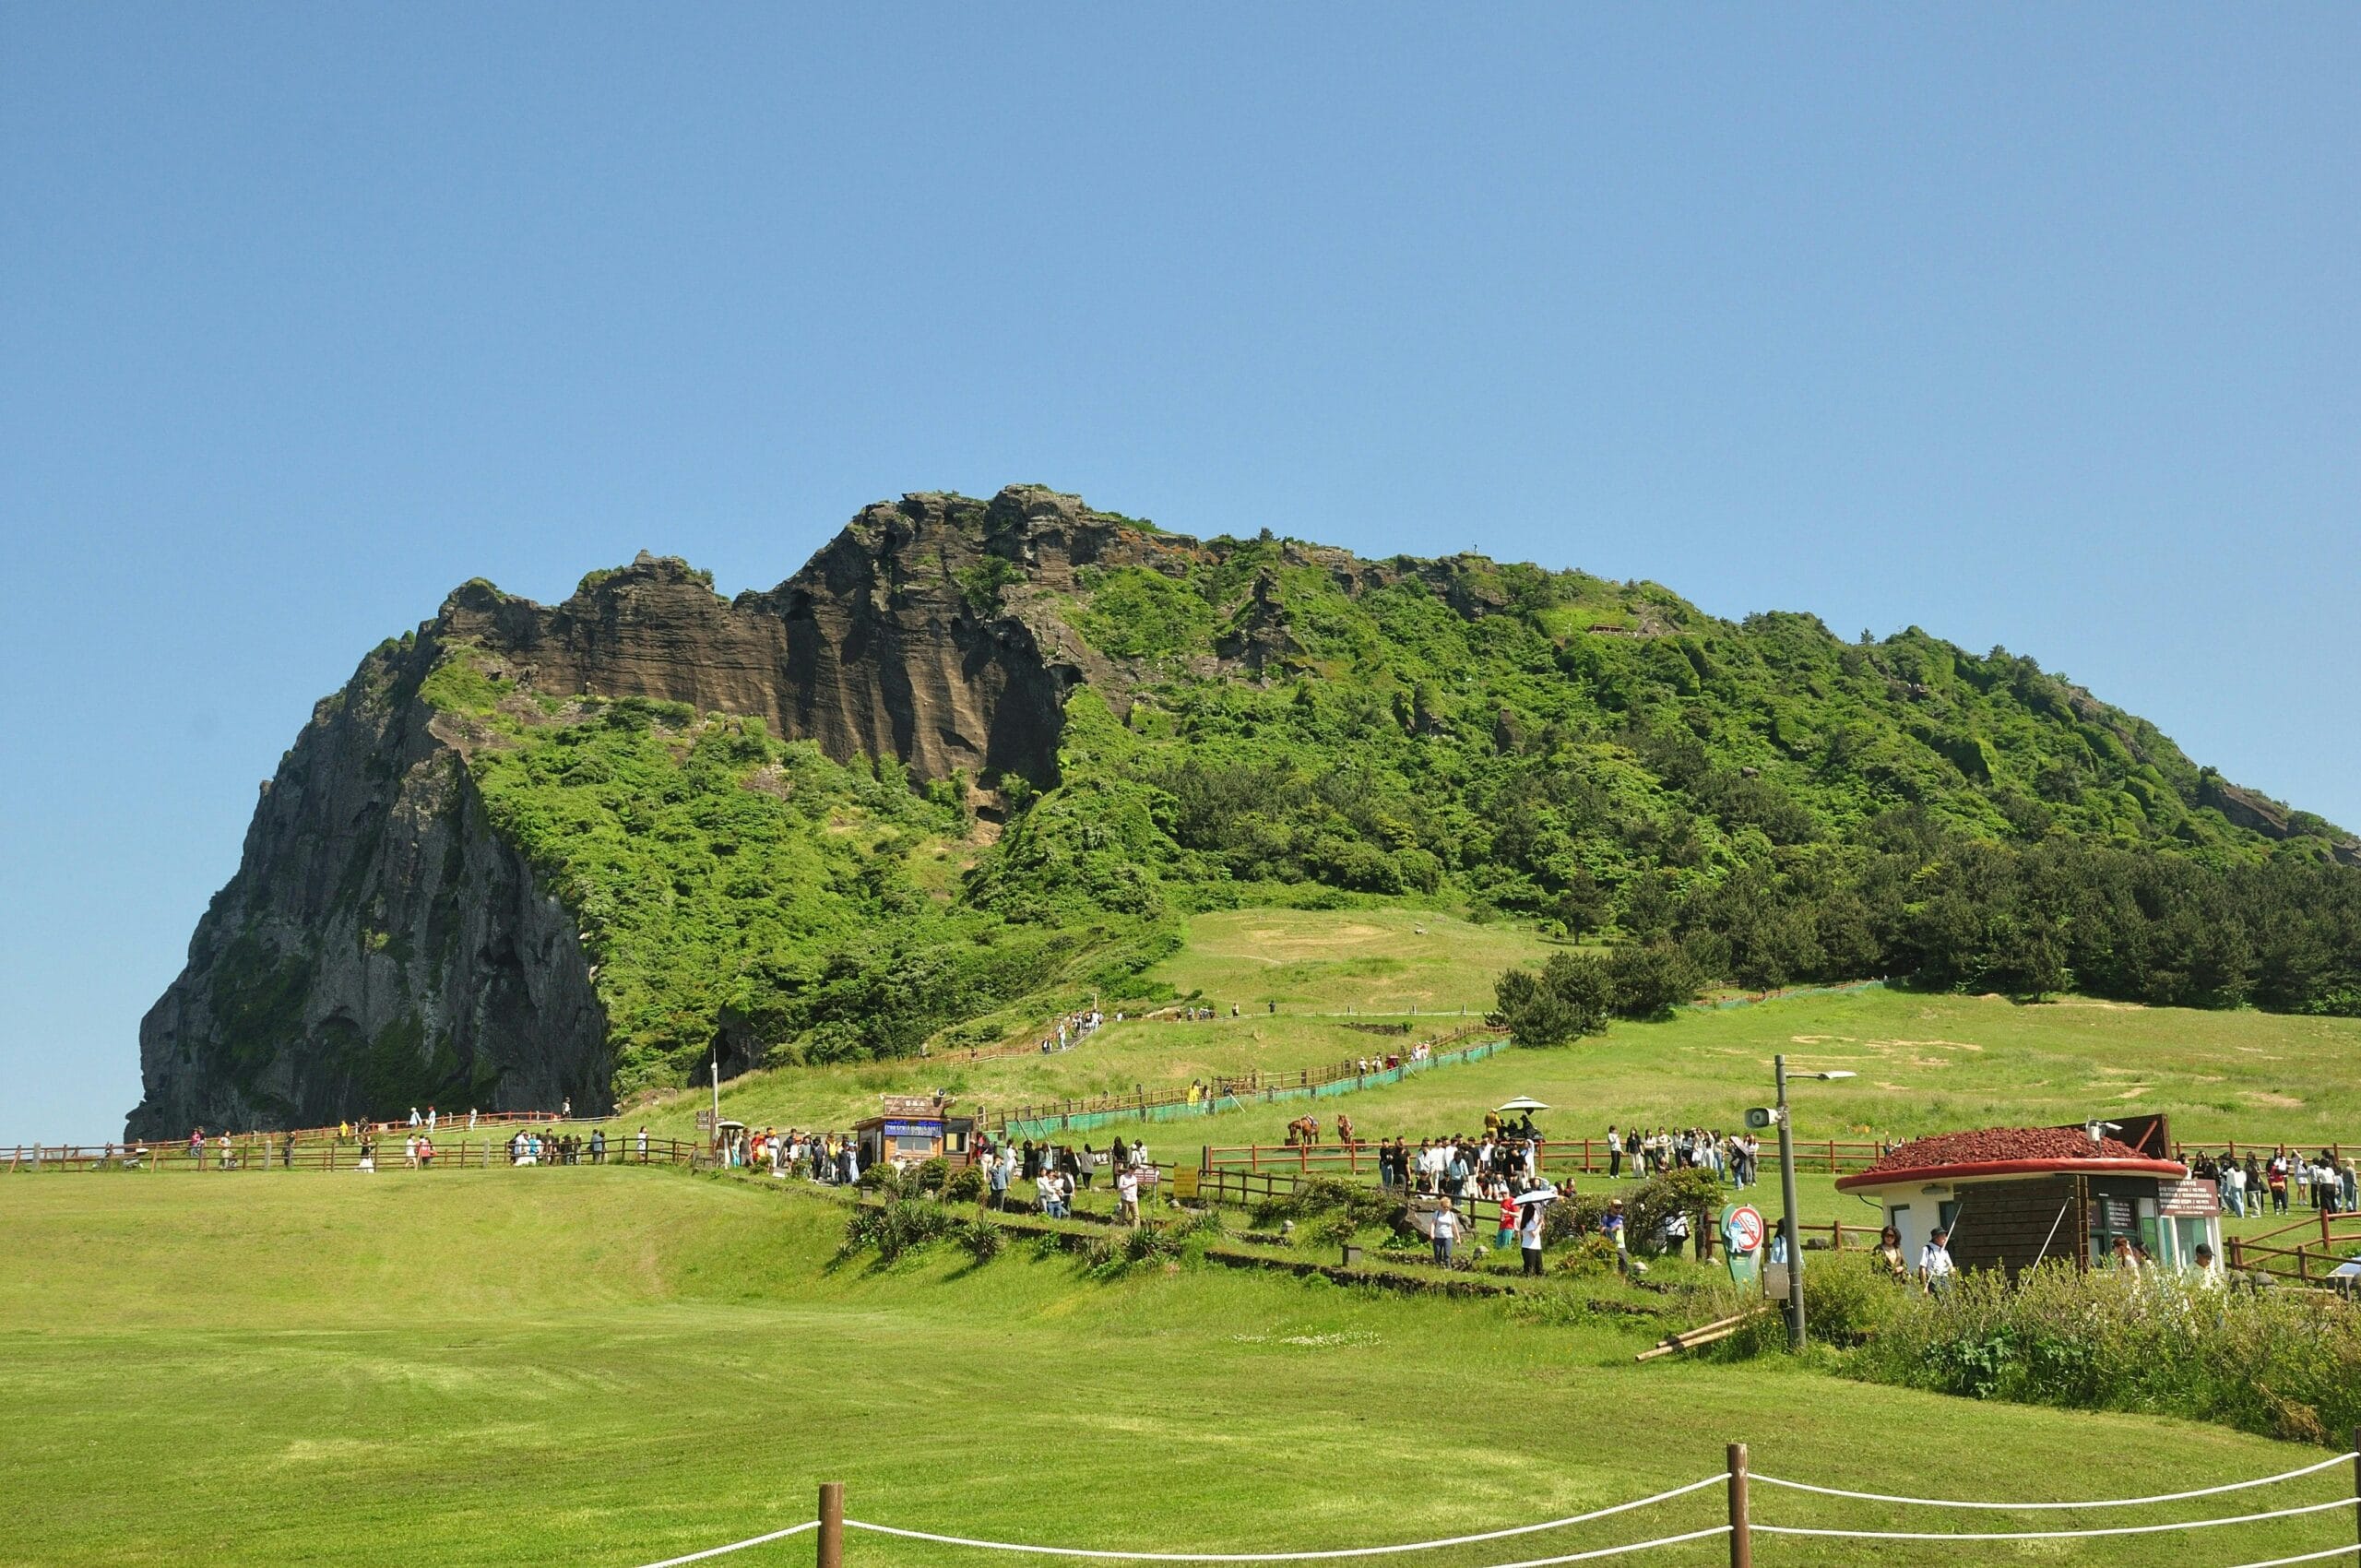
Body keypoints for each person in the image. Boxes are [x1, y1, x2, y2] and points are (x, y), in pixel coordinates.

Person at [1918, 1227, 1955, 1294]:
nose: (1945, 1238)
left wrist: (1952, 1271)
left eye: (1945, 1236)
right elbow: (1922, 1268)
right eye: (1943, 1236)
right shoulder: (1927, 1249)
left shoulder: (1944, 1252)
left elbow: (1951, 1267)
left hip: (1945, 1279)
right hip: (1933, 1279)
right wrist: (1925, 1286)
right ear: (1935, 1238)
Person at [1518, 1199, 1546, 1277]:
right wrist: (1540, 1224)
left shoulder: (1533, 1222)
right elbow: (1533, 1234)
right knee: (1530, 1270)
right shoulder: (1528, 1223)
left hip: (1536, 1247)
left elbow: (1539, 1231)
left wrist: (1541, 1223)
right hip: (1529, 1247)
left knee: (1539, 1269)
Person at [1430, 1199, 1460, 1266]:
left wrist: (1458, 1238)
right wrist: (1432, 1233)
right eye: (1444, 1207)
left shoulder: (1451, 1214)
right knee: (1437, 1253)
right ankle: (1438, 1268)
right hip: (1438, 1236)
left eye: (1448, 1207)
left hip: (1448, 1237)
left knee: (1447, 1254)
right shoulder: (1437, 1213)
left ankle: (1448, 1268)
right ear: (1441, 1206)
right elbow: (1433, 1224)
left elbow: (1454, 1226)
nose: (1446, 1209)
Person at [1115, 1164, 1141, 1228]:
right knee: (1124, 1214)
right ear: (1129, 1169)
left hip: (1134, 1199)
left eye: (1134, 1171)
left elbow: (1136, 1188)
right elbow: (1119, 1188)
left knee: (1136, 1215)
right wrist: (1128, 1186)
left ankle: (1137, 1230)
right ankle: (1119, 1226)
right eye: (1131, 1170)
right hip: (1125, 1199)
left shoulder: (1134, 1178)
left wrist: (1135, 1196)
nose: (1132, 1172)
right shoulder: (1123, 1177)